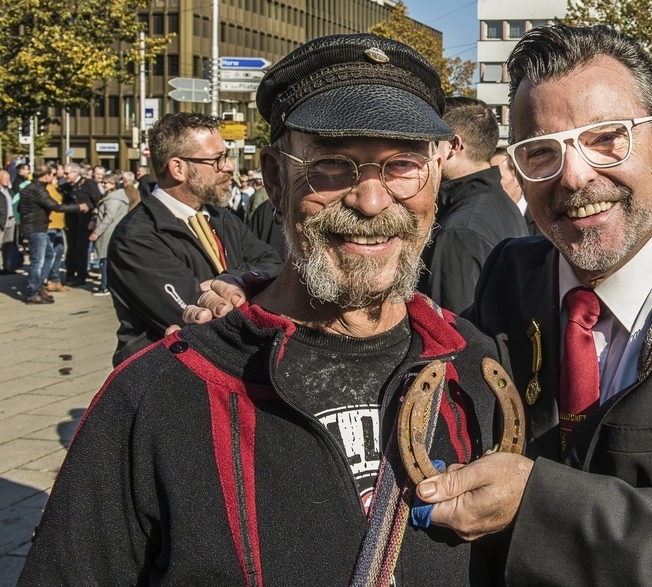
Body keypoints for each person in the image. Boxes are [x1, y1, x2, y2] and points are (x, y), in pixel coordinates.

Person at [194, 25, 652, 586]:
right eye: (542, 153)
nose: (574, 176)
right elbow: (411, 341)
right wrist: (264, 296)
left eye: (606, 139)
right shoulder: (513, 274)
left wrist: (539, 501)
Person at [18, 34, 505, 587]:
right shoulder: (160, 393)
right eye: (331, 165)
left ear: (435, 177)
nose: (371, 201)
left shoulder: (475, 368)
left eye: (401, 167)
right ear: (275, 178)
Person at [105, 112, 283, 365]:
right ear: (178, 168)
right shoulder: (136, 237)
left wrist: (229, 281)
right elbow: (200, 316)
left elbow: (274, 264)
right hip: (163, 376)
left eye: (227, 157)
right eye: (217, 159)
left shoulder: (221, 217)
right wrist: (249, 283)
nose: (229, 167)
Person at [418, 96, 528, 313]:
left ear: (453, 146)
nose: (426, 154)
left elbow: (451, 333)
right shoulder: (504, 205)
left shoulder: (458, 232)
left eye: (432, 142)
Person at [16, 165, 87, 304]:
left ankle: (38, 285)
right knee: (37, 261)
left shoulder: (28, 188)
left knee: (50, 254)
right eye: (52, 175)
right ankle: (33, 291)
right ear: (46, 175)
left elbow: (21, 207)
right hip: (36, 229)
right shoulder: (38, 189)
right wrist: (79, 207)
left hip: (36, 226)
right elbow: (55, 206)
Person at [59, 162, 102, 286]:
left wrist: (93, 218)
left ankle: (81, 275)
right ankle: (70, 273)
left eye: (67, 173)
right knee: (71, 249)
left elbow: (98, 201)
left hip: (85, 223)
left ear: (75, 173)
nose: (65, 176)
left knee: (82, 250)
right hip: (71, 224)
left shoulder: (88, 184)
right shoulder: (65, 186)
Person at [89, 174, 129, 296]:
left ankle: (105, 286)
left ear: (113, 184)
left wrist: (96, 232)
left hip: (108, 232)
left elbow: (108, 218)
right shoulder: (116, 197)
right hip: (113, 231)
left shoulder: (113, 199)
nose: (103, 185)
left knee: (104, 261)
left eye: (106, 183)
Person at [490, 148, 541, 236]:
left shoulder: (542, 219)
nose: (491, 183)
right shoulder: (487, 219)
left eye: (497, 177)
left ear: (518, 177)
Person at [44, 164, 68, 292]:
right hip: (50, 225)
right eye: (54, 174)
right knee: (50, 253)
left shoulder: (55, 188)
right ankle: (49, 279)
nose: (56, 177)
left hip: (59, 225)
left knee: (59, 251)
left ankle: (54, 278)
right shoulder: (46, 189)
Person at [0, 170, 17, 273]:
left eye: (9, 178)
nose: (8, 180)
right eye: (6, 178)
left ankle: (7, 266)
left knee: (8, 245)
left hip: (10, 220)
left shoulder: (9, 191)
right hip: (1, 221)